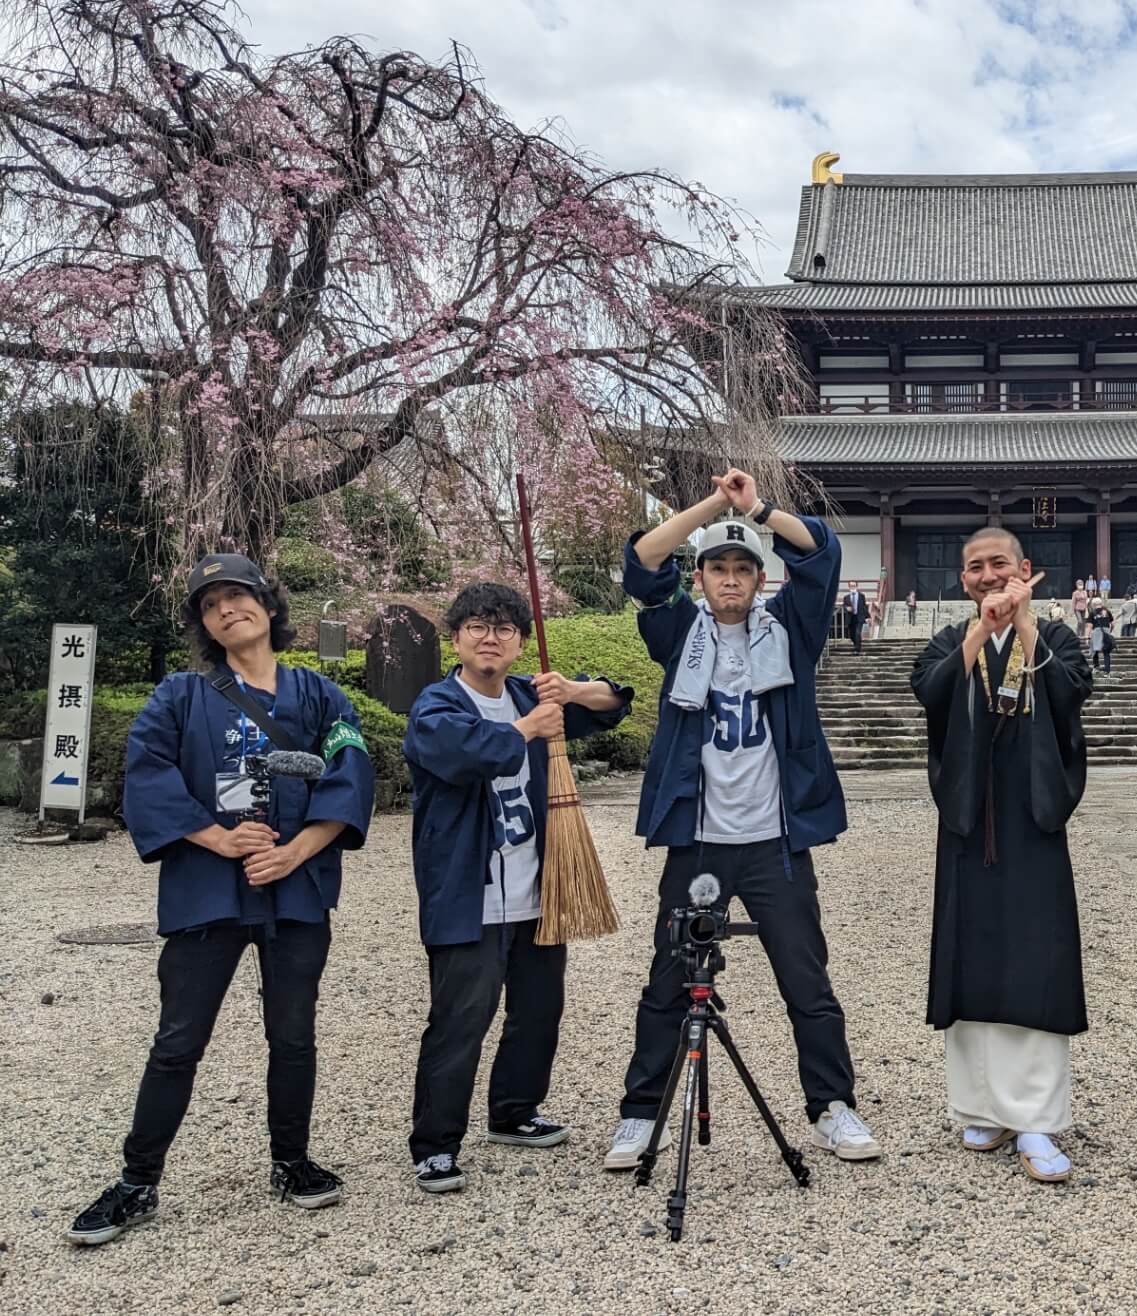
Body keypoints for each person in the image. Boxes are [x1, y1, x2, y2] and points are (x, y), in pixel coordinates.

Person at [69, 555, 374, 1246]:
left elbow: (350, 770)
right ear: (204, 624)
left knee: (293, 1035)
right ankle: (137, 1181)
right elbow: (146, 775)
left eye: (239, 595)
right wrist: (218, 839)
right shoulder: (178, 695)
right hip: (208, 887)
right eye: (211, 605)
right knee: (179, 1039)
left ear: (269, 606)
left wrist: (295, 851)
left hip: (296, 887)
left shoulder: (320, 695)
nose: (227, 609)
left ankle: (291, 1161)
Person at [611, 468, 879, 1169]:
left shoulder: (790, 631)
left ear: (761, 579)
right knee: (669, 978)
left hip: (774, 841)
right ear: (699, 577)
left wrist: (756, 507)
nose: (730, 579)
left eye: (742, 568)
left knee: (806, 978)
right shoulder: (678, 634)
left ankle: (831, 1105)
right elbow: (642, 563)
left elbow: (820, 553)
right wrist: (712, 507)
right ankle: (641, 1112)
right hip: (699, 838)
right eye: (717, 568)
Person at [402, 582, 633, 1194]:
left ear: (521, 643)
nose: (490, 637)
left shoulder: (533, 693)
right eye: (476, 626)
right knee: (460, 1019)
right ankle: (434, 1143)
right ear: (456, 638)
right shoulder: (436, 705)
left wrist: (572, 691)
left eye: (505, 628)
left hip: (538, 888)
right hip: (468, 893)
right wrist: (530, 727)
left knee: (537, 1012)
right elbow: (462, 753)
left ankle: (514, 1110)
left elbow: (617, 703)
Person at [910, 528, 1093, 1183]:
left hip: (1032, 821)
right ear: (963, 580)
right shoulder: (949, 641)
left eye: (999, 565)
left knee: (1036, 964)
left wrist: (1021, 627)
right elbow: (928, 691)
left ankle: (1039, 1119)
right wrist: (980, 634)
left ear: (1024, 569)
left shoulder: (1056, 638)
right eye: (975, 568)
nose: (988, 576)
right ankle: (982, 1104)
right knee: (974, 960)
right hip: (969, 820)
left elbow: (1073, 691)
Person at [1088, 598, 1117, 678]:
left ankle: (1096, 667)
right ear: (1101, 603)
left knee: (1094, 649)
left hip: (1097, 632)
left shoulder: (1092, 613)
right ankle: (1107, 672)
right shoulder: (1107, 611)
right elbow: (1113, 623)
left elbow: (1090, 626)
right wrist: (1110, 631)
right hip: (1106, 632)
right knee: (1106, 652)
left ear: (1093, 605)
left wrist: (1088, 637)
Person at [843, 583, 868, 654]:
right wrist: (846, 608)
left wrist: (867, 617)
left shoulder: (861, 596)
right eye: (851, 586)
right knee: (852, 635)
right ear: (849, 587)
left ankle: (857, 649)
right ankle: (856, 645)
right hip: (851, 618)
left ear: (856, 586)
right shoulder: (846, 597)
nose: (852, 587)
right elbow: (844, 605)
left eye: (854, 586)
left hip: (859, 617)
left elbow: (864, 606)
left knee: (857, 633)